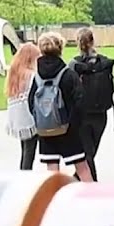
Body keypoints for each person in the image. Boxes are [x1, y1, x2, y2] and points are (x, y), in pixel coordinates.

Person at [30, 32, 93, 181]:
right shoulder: (68, 74)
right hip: (68, 129)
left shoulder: (37, 76)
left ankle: (55, 199)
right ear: (60, 48)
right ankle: (92, 198)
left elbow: (30, 101)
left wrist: (40, 120)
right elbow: (80, 101)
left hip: (46, 128)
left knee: (52, 170)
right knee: (82, 168)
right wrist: (74, 124)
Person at [69, 27, 114, 180]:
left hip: (82, 115)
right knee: (91, 152)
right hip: (101, 114)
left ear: (78, 42)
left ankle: (91, 183)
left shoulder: (74, 64)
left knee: (86, 154)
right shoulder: (104, 63)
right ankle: (82, 178)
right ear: (93, 41)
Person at [5, 41, 41, 169]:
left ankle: (23, 172)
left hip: (16, 115)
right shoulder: (31, 75)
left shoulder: (13, 73)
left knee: (25, 149)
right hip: (29, 116)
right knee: (29, 152)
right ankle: (25, 175)